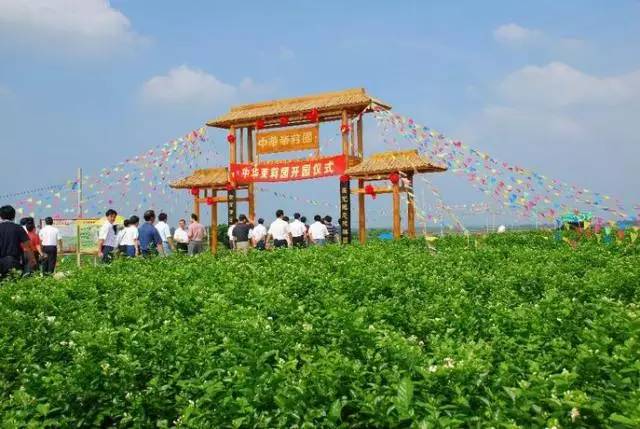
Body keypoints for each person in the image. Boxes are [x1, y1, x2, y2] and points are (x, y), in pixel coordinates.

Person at [0, 205, 36, 278]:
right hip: (13, 262)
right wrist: (32, 259)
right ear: (14, 216)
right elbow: (27, 247)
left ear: (1, 216)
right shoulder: (18, 228)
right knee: (13, 285)